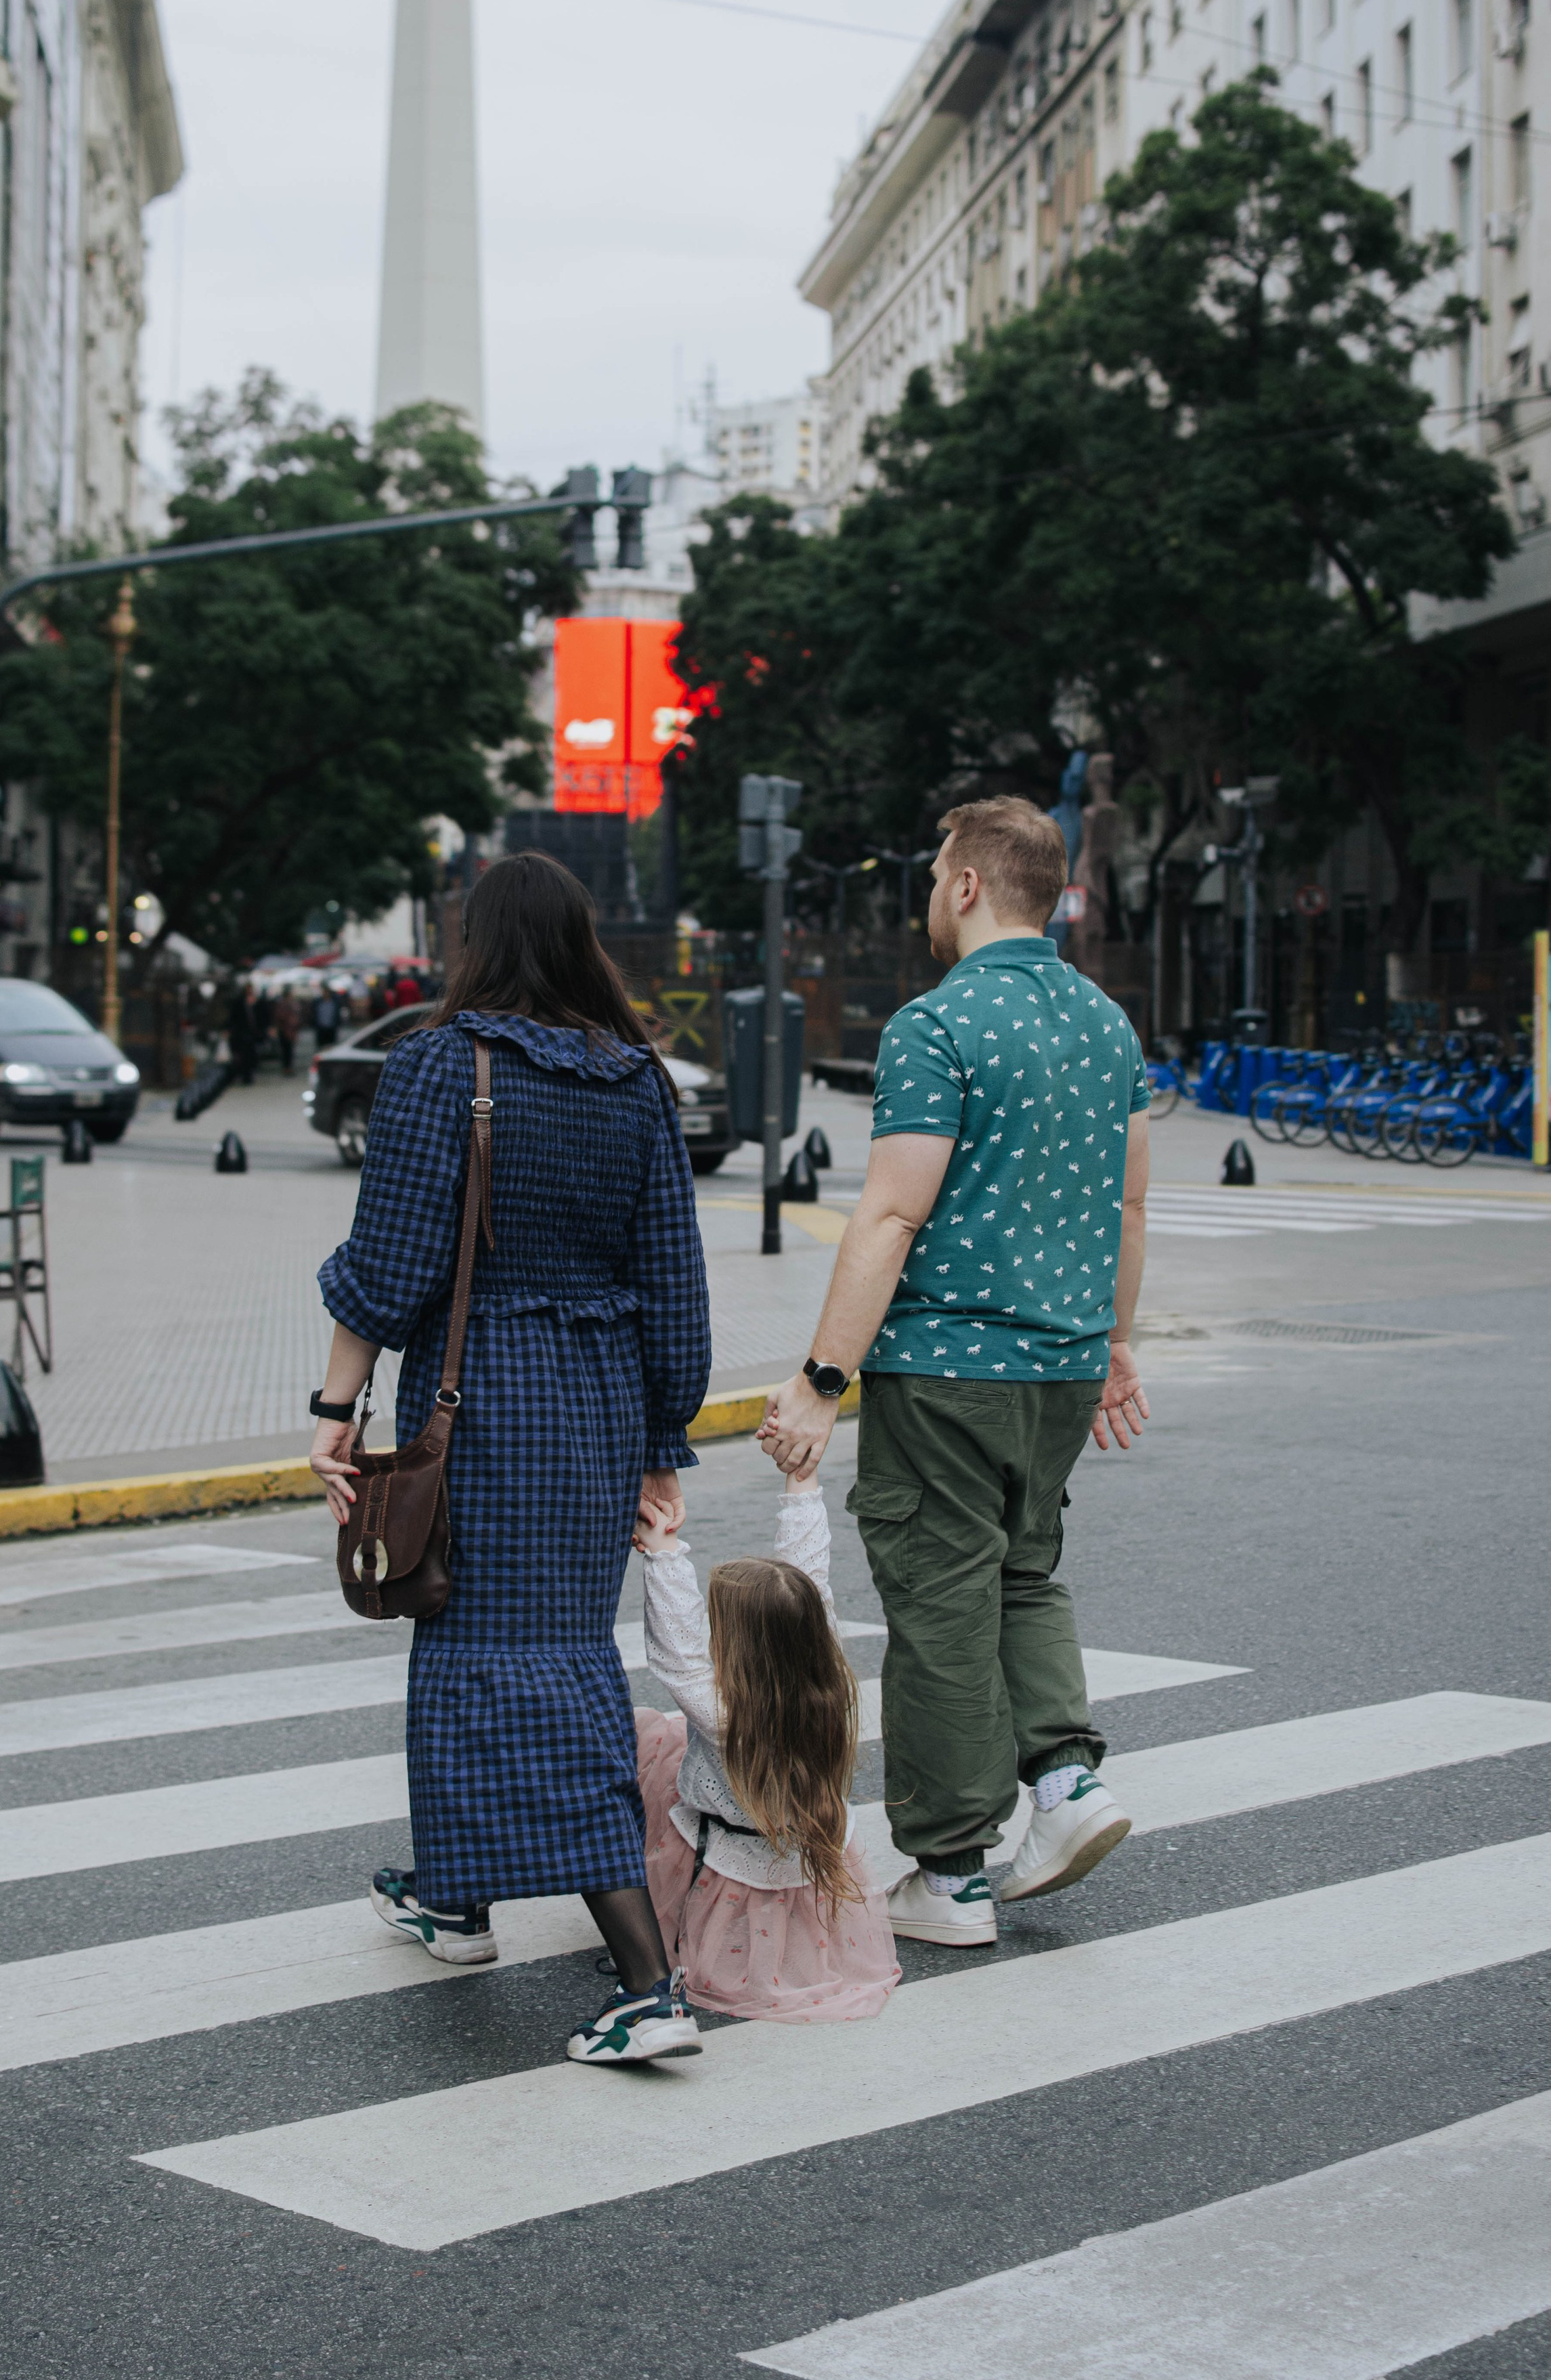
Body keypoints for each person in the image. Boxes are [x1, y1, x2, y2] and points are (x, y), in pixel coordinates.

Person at [309, 851, 713, 2067]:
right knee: (493, 1646)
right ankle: (456, 1897)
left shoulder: (443, 1064)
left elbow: (386, 1263)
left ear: (476, 943)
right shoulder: (636, 1080)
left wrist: (335, 1405)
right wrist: (660, 1439)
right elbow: (675, 1289)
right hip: (590, 1412)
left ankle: (650, 1984)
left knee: (518, 1665)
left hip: (478, 1405)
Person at [759, 794, 1151, 1948]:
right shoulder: (1109, 1027)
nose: (932, 894)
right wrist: (1118, 1343)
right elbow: (1129, 1203)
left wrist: (820, 1381)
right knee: (1025, 1574)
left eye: (937, 875)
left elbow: (888, 1215)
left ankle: (950, 1870)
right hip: (1067, 1366)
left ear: (970, 885)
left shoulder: (937, 1026)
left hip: (948, 1366)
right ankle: (1069, 1786)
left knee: (939, 1601)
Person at [632, 1461, 900, 2021]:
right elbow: (809, 1580)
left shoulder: (725, 1714)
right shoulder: (824, 1679)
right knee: (676, 1738)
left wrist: (662, 1554)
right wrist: (800, 1481)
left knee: (652, 1738)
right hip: (804, 1835)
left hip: (732, 1841)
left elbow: (678, 1655)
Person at [225, 985, 261, 1085]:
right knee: (243, 1055)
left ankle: (249, 1074)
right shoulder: (238, 1003)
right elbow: (233, 1018)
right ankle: (245, 1075)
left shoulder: (256, 1002)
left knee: (251, 1055)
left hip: (253, 1034)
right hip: (241, 1033)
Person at [272, 991, 302, 1077]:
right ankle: (286, 1067)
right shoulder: (283, 1006)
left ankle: (288, 1067)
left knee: (289, 1050)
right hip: (284, 1031)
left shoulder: (293, 1006)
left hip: (290, 1032)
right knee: (286, 1050)